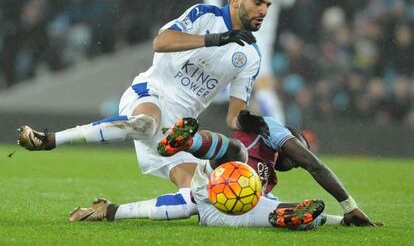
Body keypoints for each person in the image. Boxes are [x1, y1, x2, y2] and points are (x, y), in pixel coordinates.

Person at [17, 0, 273, 221]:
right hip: (151, 95)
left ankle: (110, 211)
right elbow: (161, 42)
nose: (264, 11)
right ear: (236, 0)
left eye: (268, 5)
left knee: (200, 197)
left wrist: (249, 122)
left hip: (177, 132)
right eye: (258, 2)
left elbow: (233, 117)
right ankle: (48, 139)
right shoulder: (205, 16)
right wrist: (216, 39)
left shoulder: (251, 55)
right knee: (145, 123)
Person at [68, 111, 381, 228]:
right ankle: (186, 142)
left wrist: (342, 220)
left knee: (272, 208)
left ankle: (286, 218)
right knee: (237, 151)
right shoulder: (269, 128)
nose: (299, 161)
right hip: (218, 173)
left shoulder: (268, 175)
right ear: (292, 137)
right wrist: (350, 204)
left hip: (221, 207)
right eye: (300, 149)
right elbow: (315, 164)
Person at [204, 0, 296, 123]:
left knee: (258, 84)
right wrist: (219, 19)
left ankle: (223, 89)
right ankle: (282, 135)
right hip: (244, 32)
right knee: (264, 86)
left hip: (266, 35)